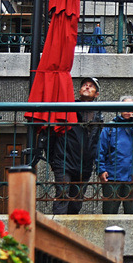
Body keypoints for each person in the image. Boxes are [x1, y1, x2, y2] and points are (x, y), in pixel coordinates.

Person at [47, 77, 104, 215]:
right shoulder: (69, 108)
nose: (87, 87)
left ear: (96, 94)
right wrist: (54, 160)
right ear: (79, 91)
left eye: (91, 86)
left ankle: (70, 228)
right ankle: (58, 227)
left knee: (76, 202)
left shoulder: (98, 115)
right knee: (62, 196)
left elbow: (97, 142)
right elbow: (53, 135)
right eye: (85, 85)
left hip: (85, 164)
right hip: (64, 161)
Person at [97, 95, 133, 215]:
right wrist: (101, 170)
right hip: (112, 175)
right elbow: (101, 150)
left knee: (132, 215)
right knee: (109, 214)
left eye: (131, 108)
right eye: (125, 107)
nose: (128, 110)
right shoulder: (110, 127)